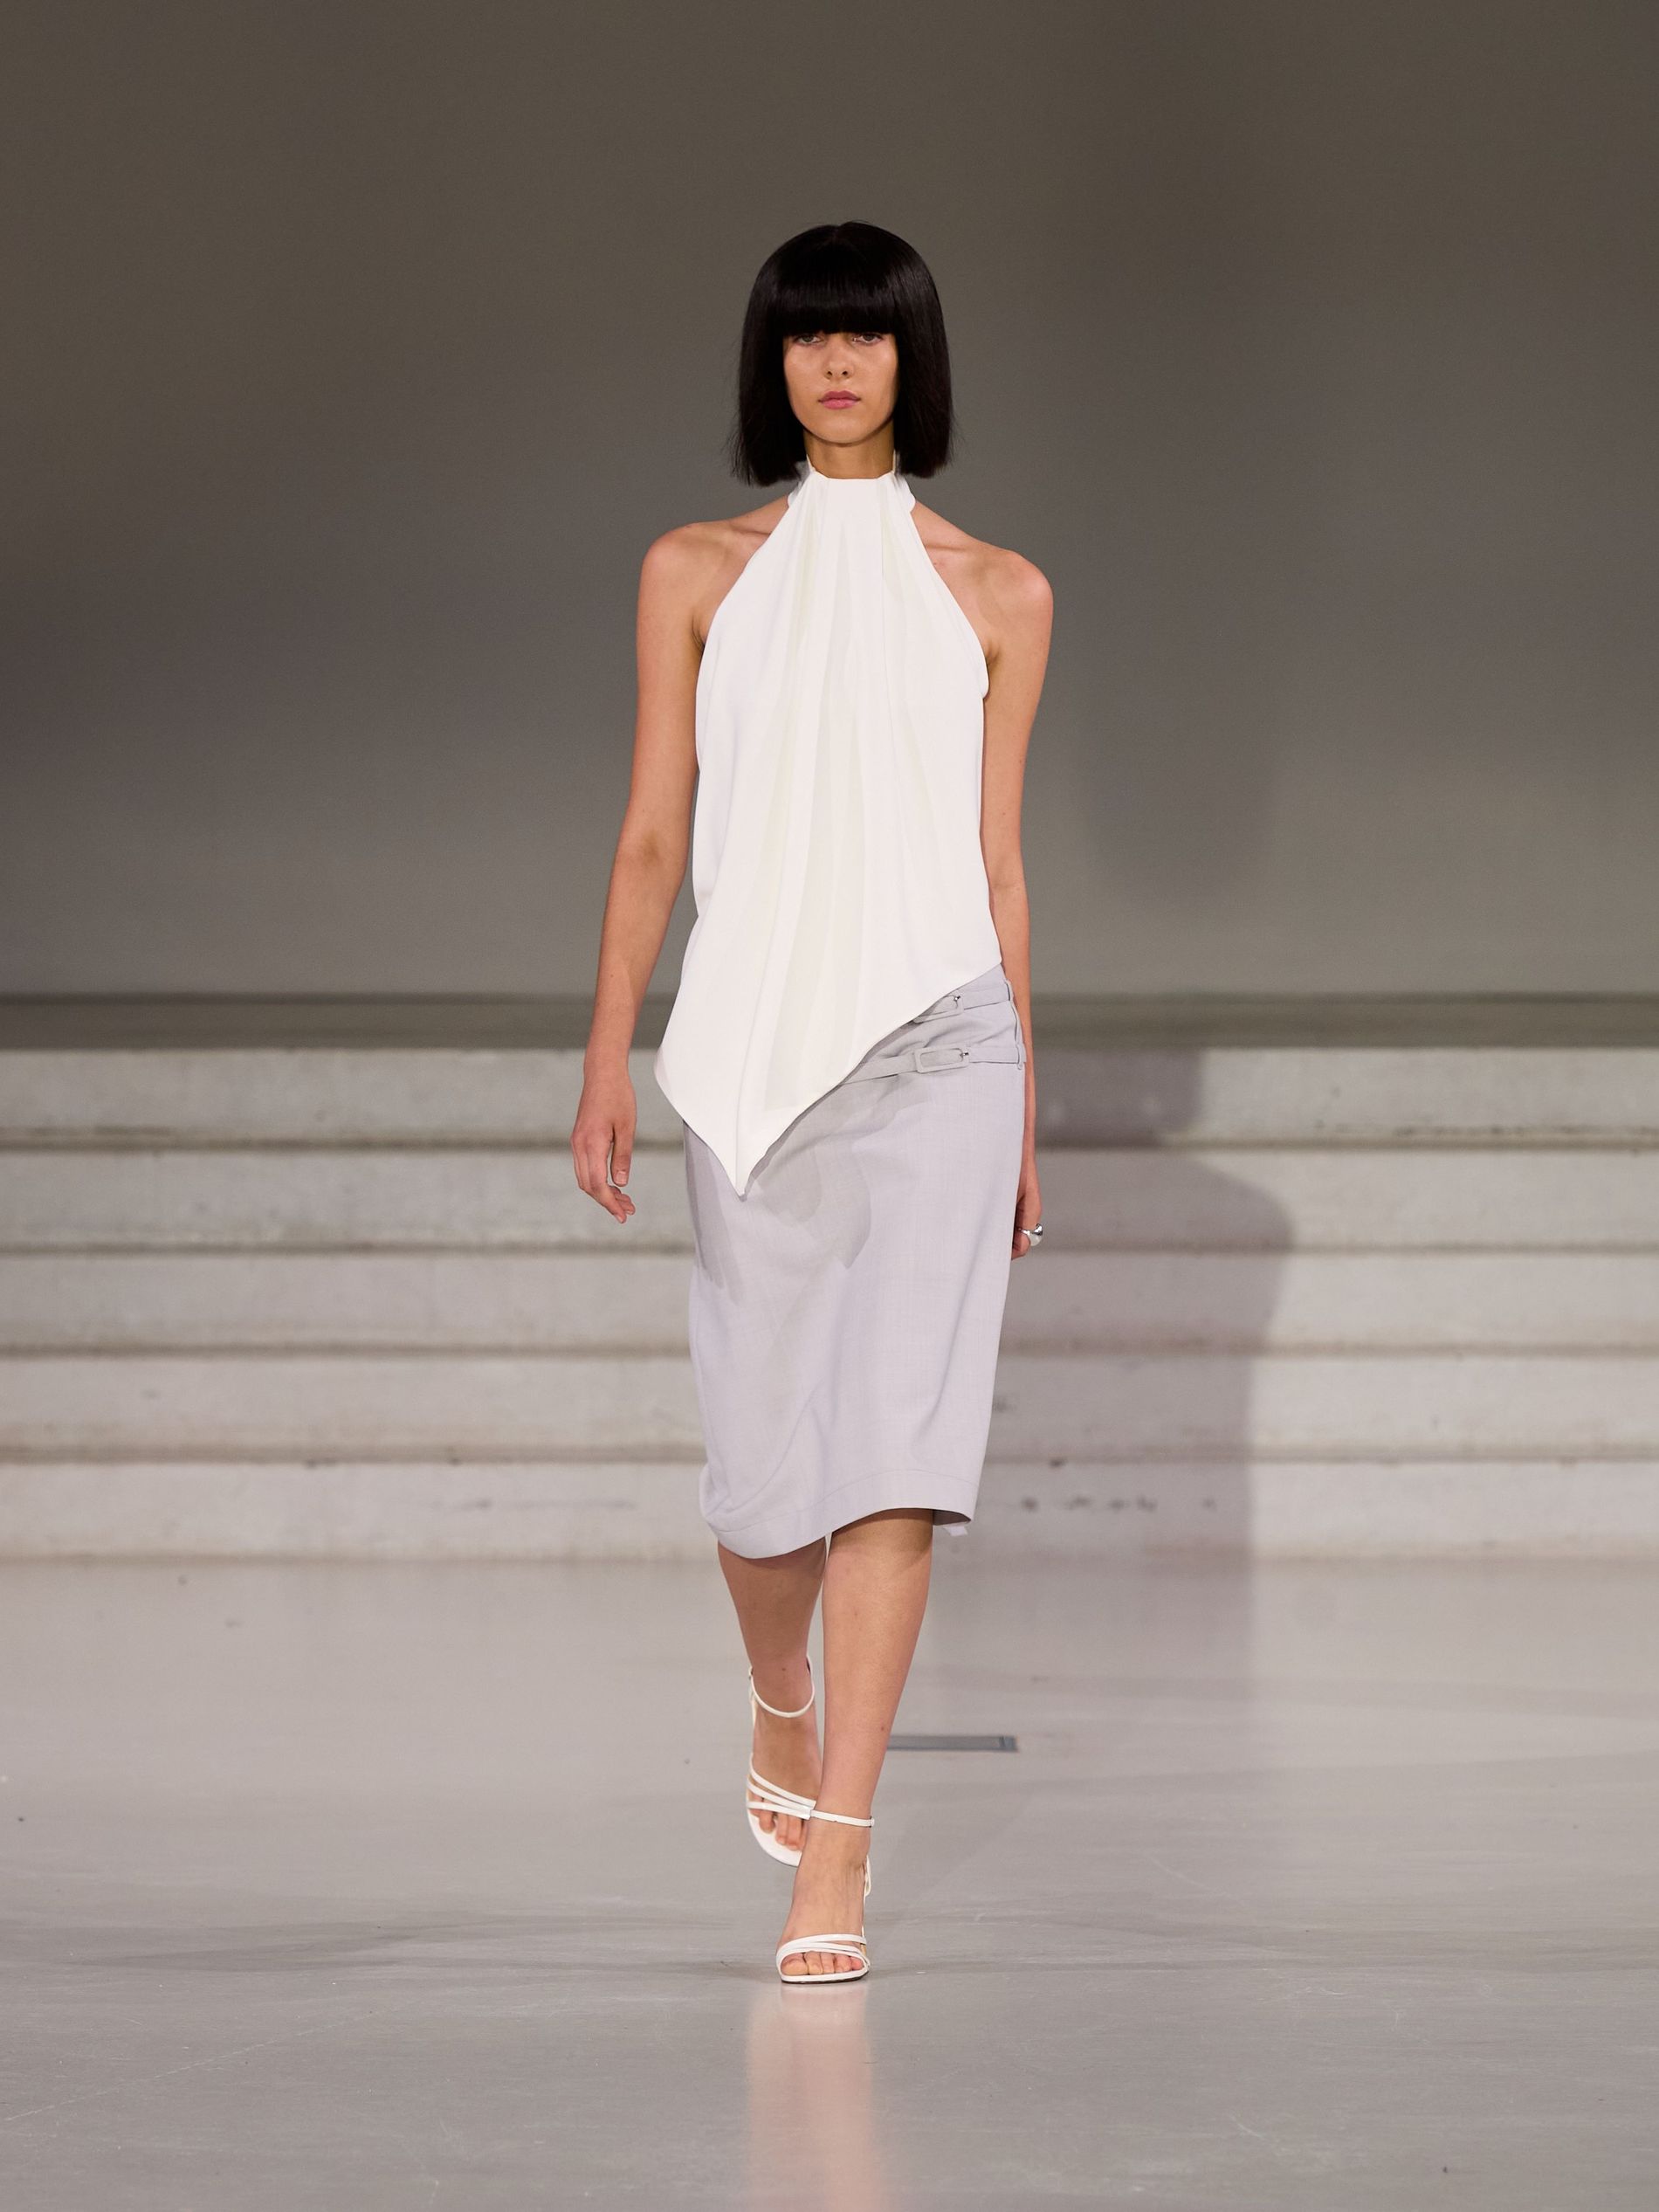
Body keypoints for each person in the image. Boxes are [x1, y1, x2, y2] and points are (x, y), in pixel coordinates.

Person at [573, 221, 1052, 1982]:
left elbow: (996, 865)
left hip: (942, 1048)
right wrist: (607, 1048)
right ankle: (778, 1684)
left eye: (867, 334)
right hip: (752, 1056)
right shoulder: (694, 572)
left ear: (914, 357)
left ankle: (837, 1852)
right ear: (770, 362)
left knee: (896, 1462)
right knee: (762, 1485)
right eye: (807, 335)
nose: (837, 364)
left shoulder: (999, 592)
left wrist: (1023, 1103)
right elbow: (652, 832)